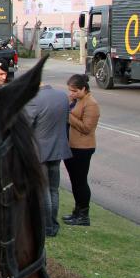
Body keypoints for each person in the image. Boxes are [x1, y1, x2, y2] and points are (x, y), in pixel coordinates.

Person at [25, 84, 72, 237]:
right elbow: (66, 121)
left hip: (40, 152)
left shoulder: (35, 100)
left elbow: (26, 125)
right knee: (53, 189)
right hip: (58, 150)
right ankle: (53, 223)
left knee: (43, 190)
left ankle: (47, 226)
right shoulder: (63, 97)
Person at [63, 73, 100, 226]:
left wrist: (68, 115)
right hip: (71, 146)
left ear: (83, 89)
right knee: (74, 181)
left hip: (83, 148)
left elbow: (86, 128)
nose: (71, 93)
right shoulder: (76, 100)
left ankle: (84, 215)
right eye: (70, 90)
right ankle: (77, 212)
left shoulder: (91, 104)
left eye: (74, 91)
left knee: (80, 182)